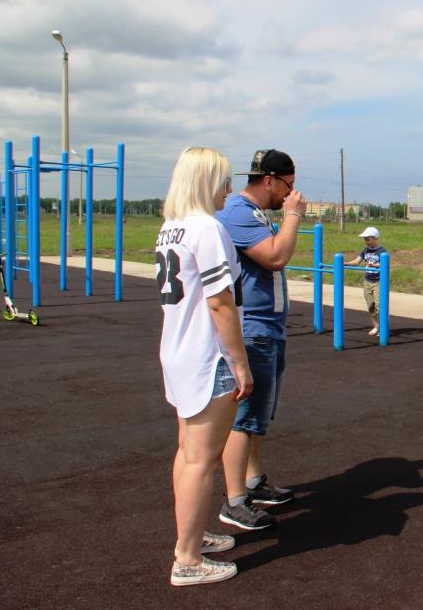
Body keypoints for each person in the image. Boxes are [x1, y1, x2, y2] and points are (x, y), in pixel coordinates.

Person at [157, 147, 252, 586]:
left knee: (187, 453)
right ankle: (188, 558)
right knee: (201, 460)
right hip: (207, 355)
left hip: (178, 350)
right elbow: (220, 303)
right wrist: (240, 362)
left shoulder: (171, 227)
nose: (227, 189)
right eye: (223, 180)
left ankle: (190, 537)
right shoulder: (208, 228)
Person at [216, 148, 308, 531]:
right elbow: (275, 256)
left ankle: (252, 482)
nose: (291, 194)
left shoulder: (253, 213)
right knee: (245, 417)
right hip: (252, 329)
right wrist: (293, 216)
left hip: (267, 327)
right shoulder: (238, 212)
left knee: (258, 416)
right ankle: (235, 500)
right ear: (269, 180)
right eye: (288, 185)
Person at [345, 226, 386, 336]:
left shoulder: (382, 251)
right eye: (365, 239)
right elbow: (357, 261)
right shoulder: (365, 250)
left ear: (375, 238)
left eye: (368, 239)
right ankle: (376, 326)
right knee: (371, 306)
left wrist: (376, 265)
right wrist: (345, 263)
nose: (366, 241)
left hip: (378, 282)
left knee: (380, 305)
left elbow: (384, 264)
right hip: (367, 281)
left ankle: (383, 328)